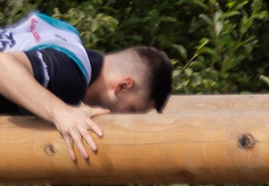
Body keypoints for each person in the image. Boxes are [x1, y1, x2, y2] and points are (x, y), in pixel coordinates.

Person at [0, 12, 171, 153]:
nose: (128, 119)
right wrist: (60, 112)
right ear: (122, 86)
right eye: (133, 110)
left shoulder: (68, 36)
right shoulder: (71, 75)